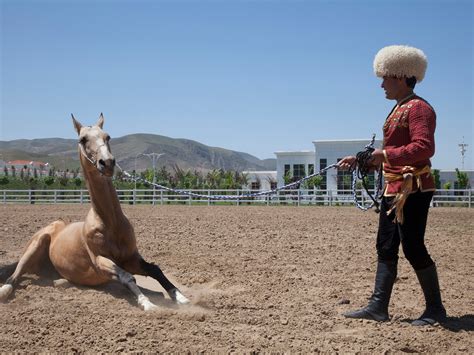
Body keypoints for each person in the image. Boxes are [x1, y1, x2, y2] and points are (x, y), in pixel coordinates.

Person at [338, 45, 447, 326]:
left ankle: (435, 310)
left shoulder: (419, 108)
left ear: (400, 75)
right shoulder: (397, 109)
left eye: (384, 77)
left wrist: (383, 154)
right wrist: (365, 161)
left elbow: (424, 148)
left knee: (412, 246)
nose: (381, 84)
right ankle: (378, 307)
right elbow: (396, 151)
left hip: (413, 189)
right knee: (385, 245)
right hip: (393, 189)